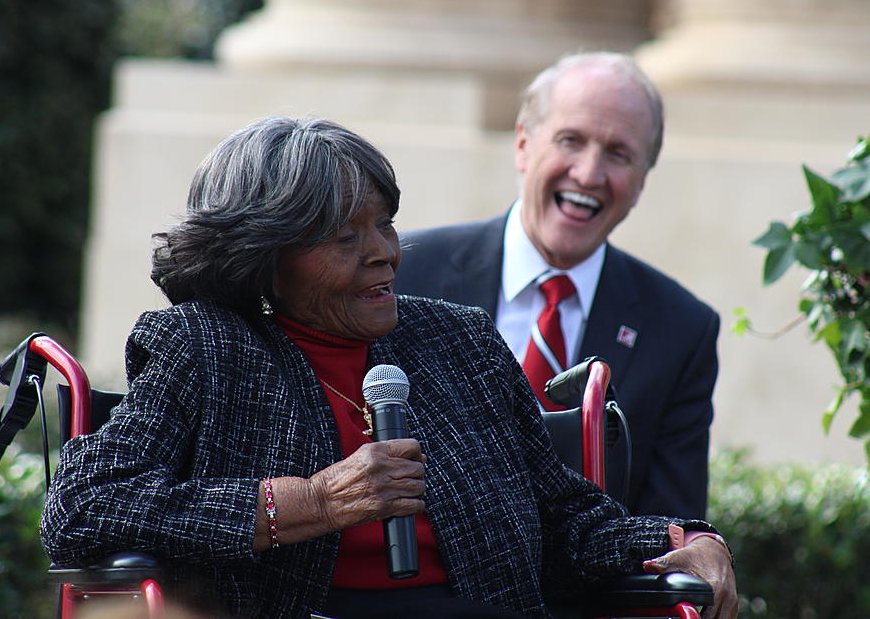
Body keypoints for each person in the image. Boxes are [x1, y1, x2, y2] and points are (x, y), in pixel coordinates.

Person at [40, 117, 735, 619]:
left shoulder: (455, 341)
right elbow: (82, 507)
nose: (384, 253)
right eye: (346, 236)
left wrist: (684, 539)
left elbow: (567, 519)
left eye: (385, 224)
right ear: (266, 255)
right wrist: (308, 502)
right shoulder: (205, 347)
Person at [394, 52, 719, 519]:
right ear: (523, 144)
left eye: (619, 154)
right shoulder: (407, 275)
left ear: (644, 180)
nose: (589, 174)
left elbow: (671, 525)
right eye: (571, 140)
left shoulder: (681, 329)